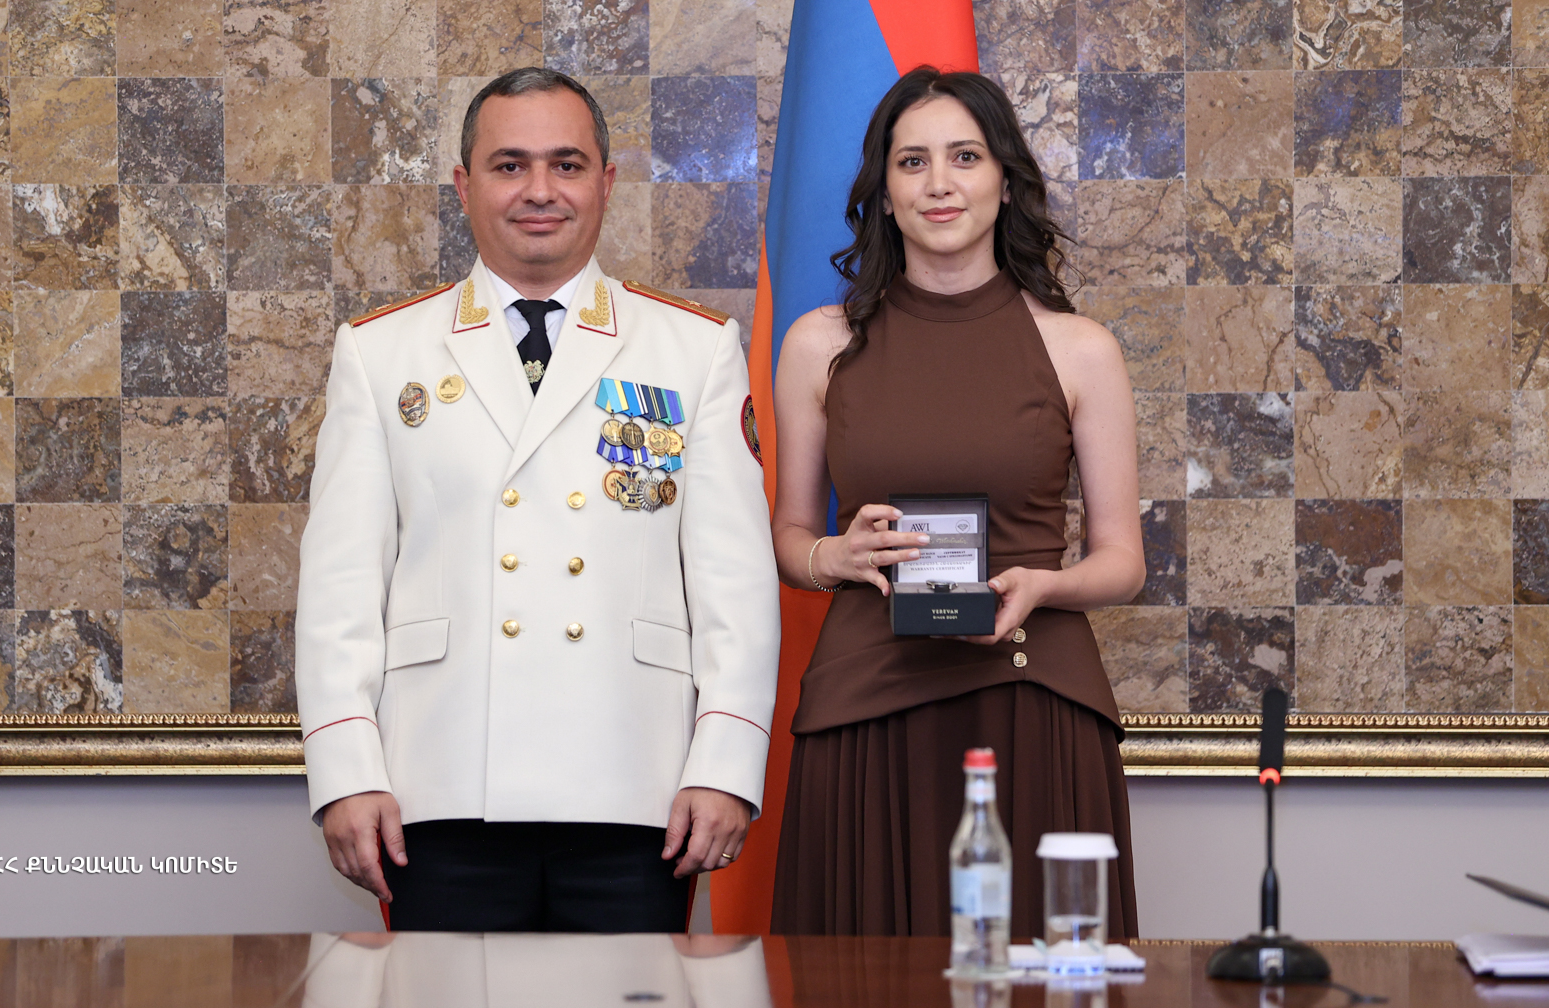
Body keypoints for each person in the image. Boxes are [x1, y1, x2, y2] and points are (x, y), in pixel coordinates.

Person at [295, 67, 780, 933]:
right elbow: (340, 589)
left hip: (638, 786)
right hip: (438, 784)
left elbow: (734, 587)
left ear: (606, 182)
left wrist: (725, 764)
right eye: (510, 165)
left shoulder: (693, 350)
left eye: (567, 164)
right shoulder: (382, 352)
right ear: (464, 185)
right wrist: (346, 772)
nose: (540, 191)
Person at [767, 67, 1144, 937]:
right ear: (884, 192)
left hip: (1032, 698)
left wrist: (1043, 587)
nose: (939, 182)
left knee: (1040, 980)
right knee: (857, 984)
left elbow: (1123, 561)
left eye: (965, 157)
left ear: (1005, 182)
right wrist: (834, 556)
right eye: (913, 162)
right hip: (865, 706)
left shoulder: (1081, 349)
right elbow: (789, 535)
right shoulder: (819, 345)